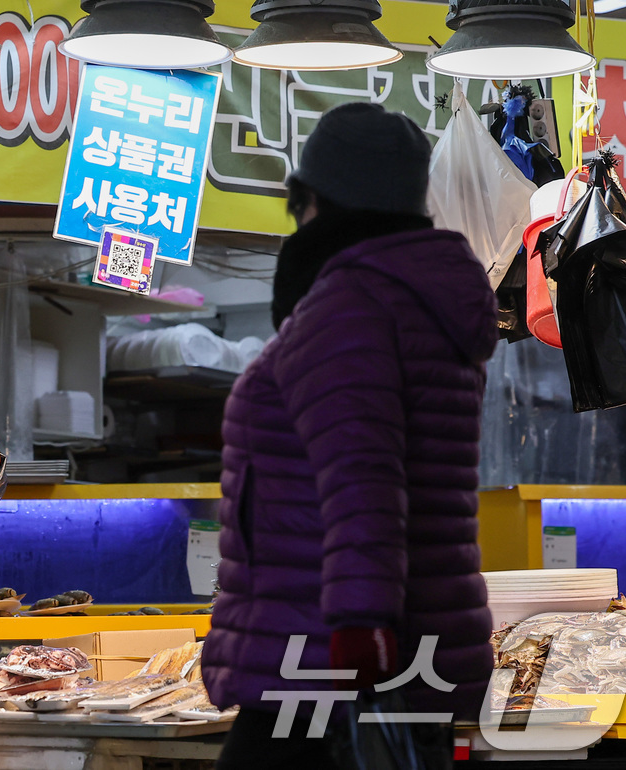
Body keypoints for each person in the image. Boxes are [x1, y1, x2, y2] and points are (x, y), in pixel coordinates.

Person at [202, 103, 498, 768]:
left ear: (313, 200)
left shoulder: (352, 306)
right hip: (390, 654)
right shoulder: (415, 302)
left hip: (320, 667)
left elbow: (363, 481)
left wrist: (361, 637)